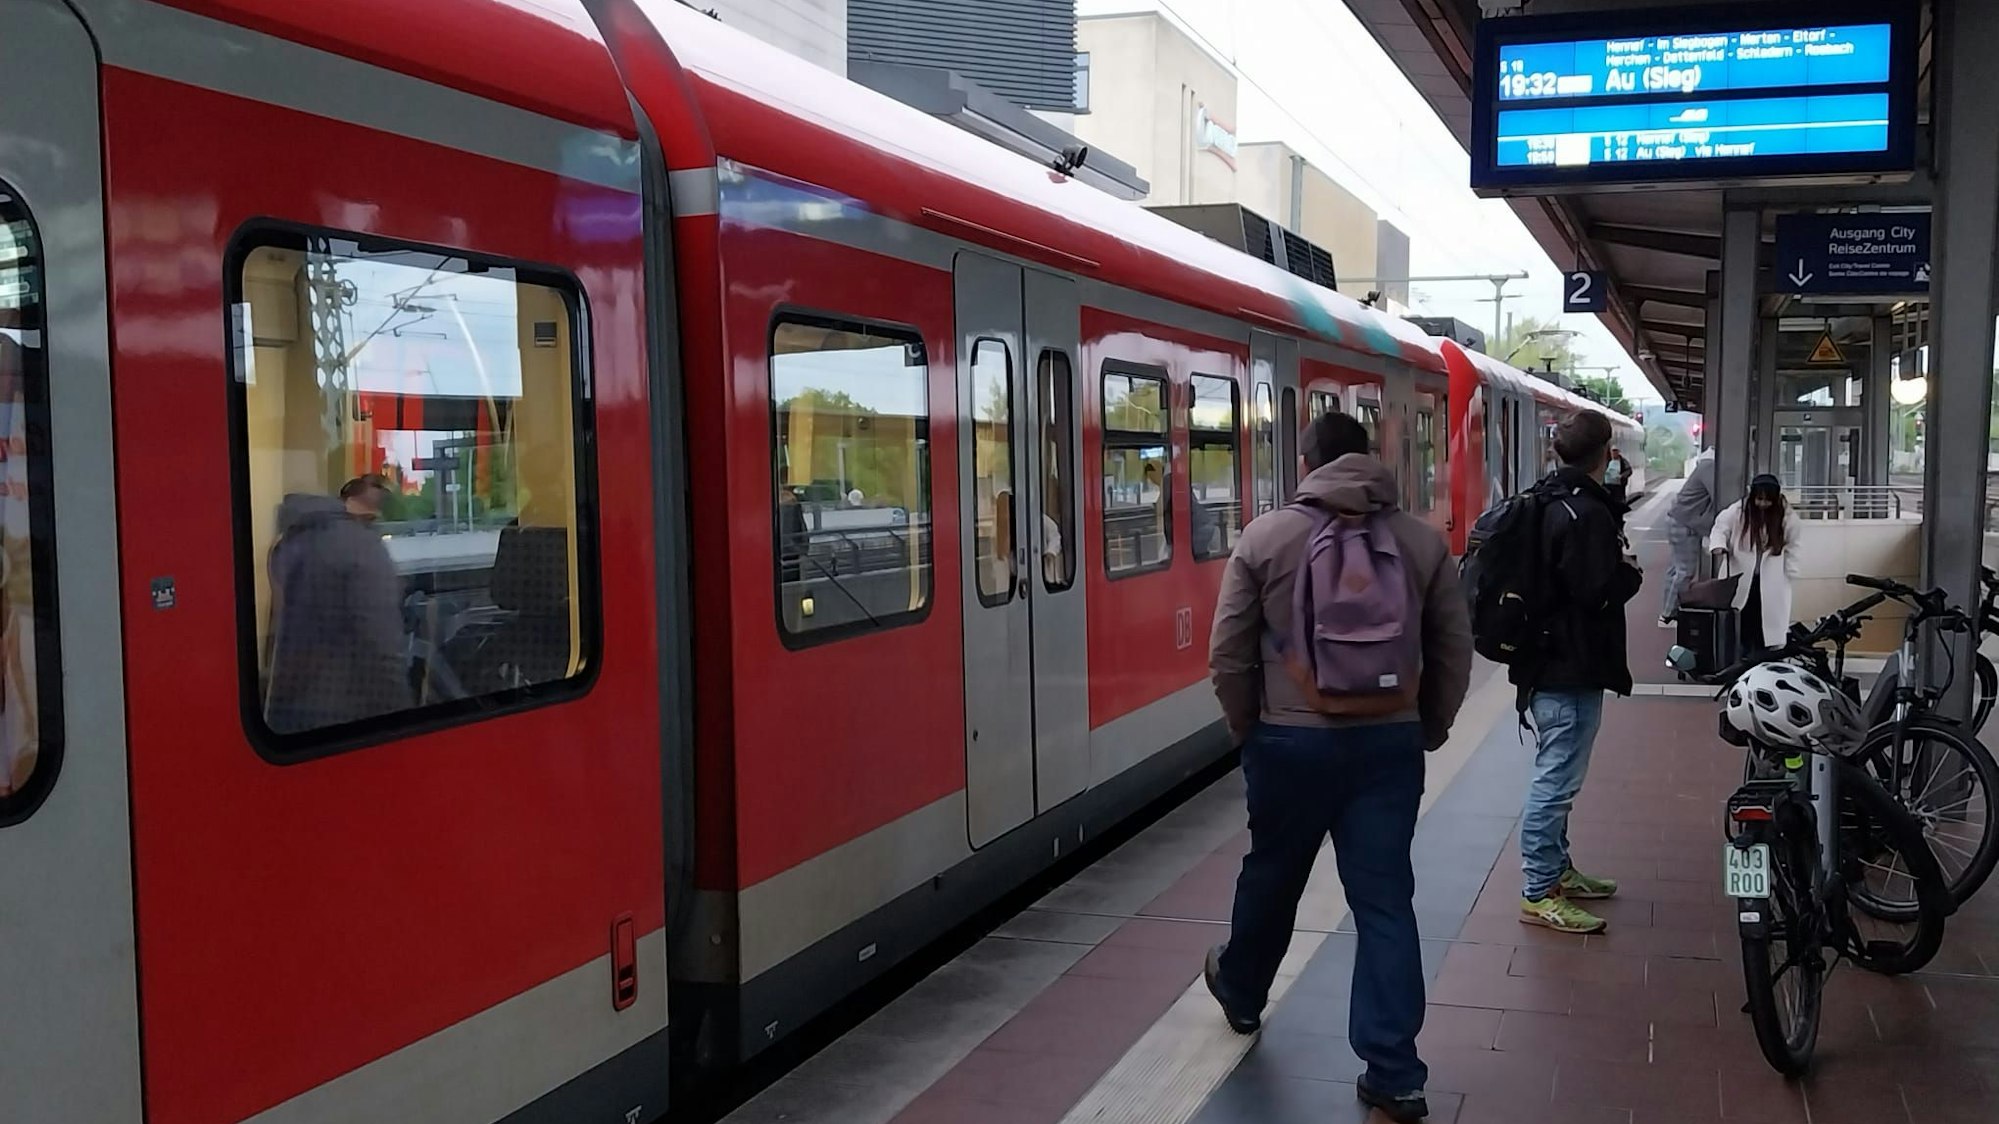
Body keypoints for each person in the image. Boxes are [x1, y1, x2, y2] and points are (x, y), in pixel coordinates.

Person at [1204, 412, 1472, 1124]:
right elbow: (1452, 647)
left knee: (1272, 872)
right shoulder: (1419, 540)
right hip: (1387, 746)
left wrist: (1248, 729)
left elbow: (1227, 651)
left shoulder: (1265, 536)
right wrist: (1430, 726)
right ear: (1370, 459)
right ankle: (1394, 1073)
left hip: (1287, 744)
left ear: (1306, 462)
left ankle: (1240, 992)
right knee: (1383, 902)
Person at [1513, 412, 1643, 935]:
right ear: (1605, 454)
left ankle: (1558, 868)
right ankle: (1539, 889)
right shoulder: (1584, 513)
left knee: (1558, 773)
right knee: (1556, 782)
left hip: (1545, 661)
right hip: (1570, 665)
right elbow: (1595, 591)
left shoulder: (1547, 498)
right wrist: (1629, 576)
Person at [264, 475, 412, 734]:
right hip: (344, 713)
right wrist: (406, 721)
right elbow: (382, 648)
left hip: (286, 708)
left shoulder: (290, 539)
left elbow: (277, 627)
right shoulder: (361, 548)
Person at [1708, 474, 1802, 653]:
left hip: (1772, 579)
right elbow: (1720, 528)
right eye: (1759, 499)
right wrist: (1718, 546)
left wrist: (1790, 573)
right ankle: (1739, 657)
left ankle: (1760, 657)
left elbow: (1794, 546)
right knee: (1741, 618)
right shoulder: (1738, 511)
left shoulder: (1788, 517)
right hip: (1741, 575)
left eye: (1767, 500)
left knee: (1765, 621)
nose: (1762, 504)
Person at [1661, 447, 1719, 628]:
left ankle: (1666, 612)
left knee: (1675, 570)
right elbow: (1720, 495)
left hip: (1677, 521)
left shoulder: (1704, 464)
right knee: (1685, 571)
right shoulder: (1709, 466)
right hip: (1685, 524)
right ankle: (1670, 615)